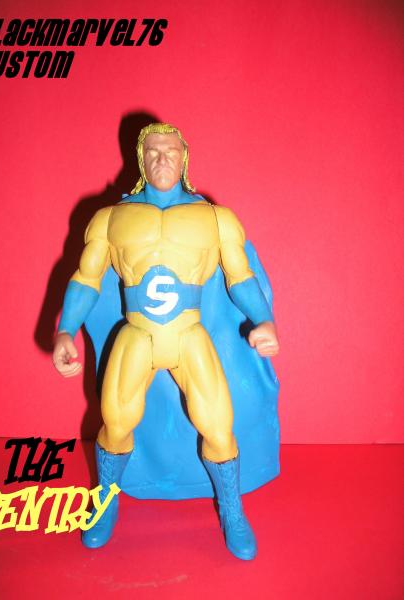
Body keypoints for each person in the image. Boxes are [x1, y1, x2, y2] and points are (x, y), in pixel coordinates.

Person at [53, 122, 279, 560]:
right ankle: (106, 500)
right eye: (153, 151)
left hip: (188, 335)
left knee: (218, 424)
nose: (162, 159)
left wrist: (264, 320)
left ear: (184, 158)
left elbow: (240, 276)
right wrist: (65, 329)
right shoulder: (112, 218)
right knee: (115, 421)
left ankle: (232, 510)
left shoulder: (214, 218)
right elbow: (86, 279)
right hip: (137, 335)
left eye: (170, 151)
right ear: (141, 159)